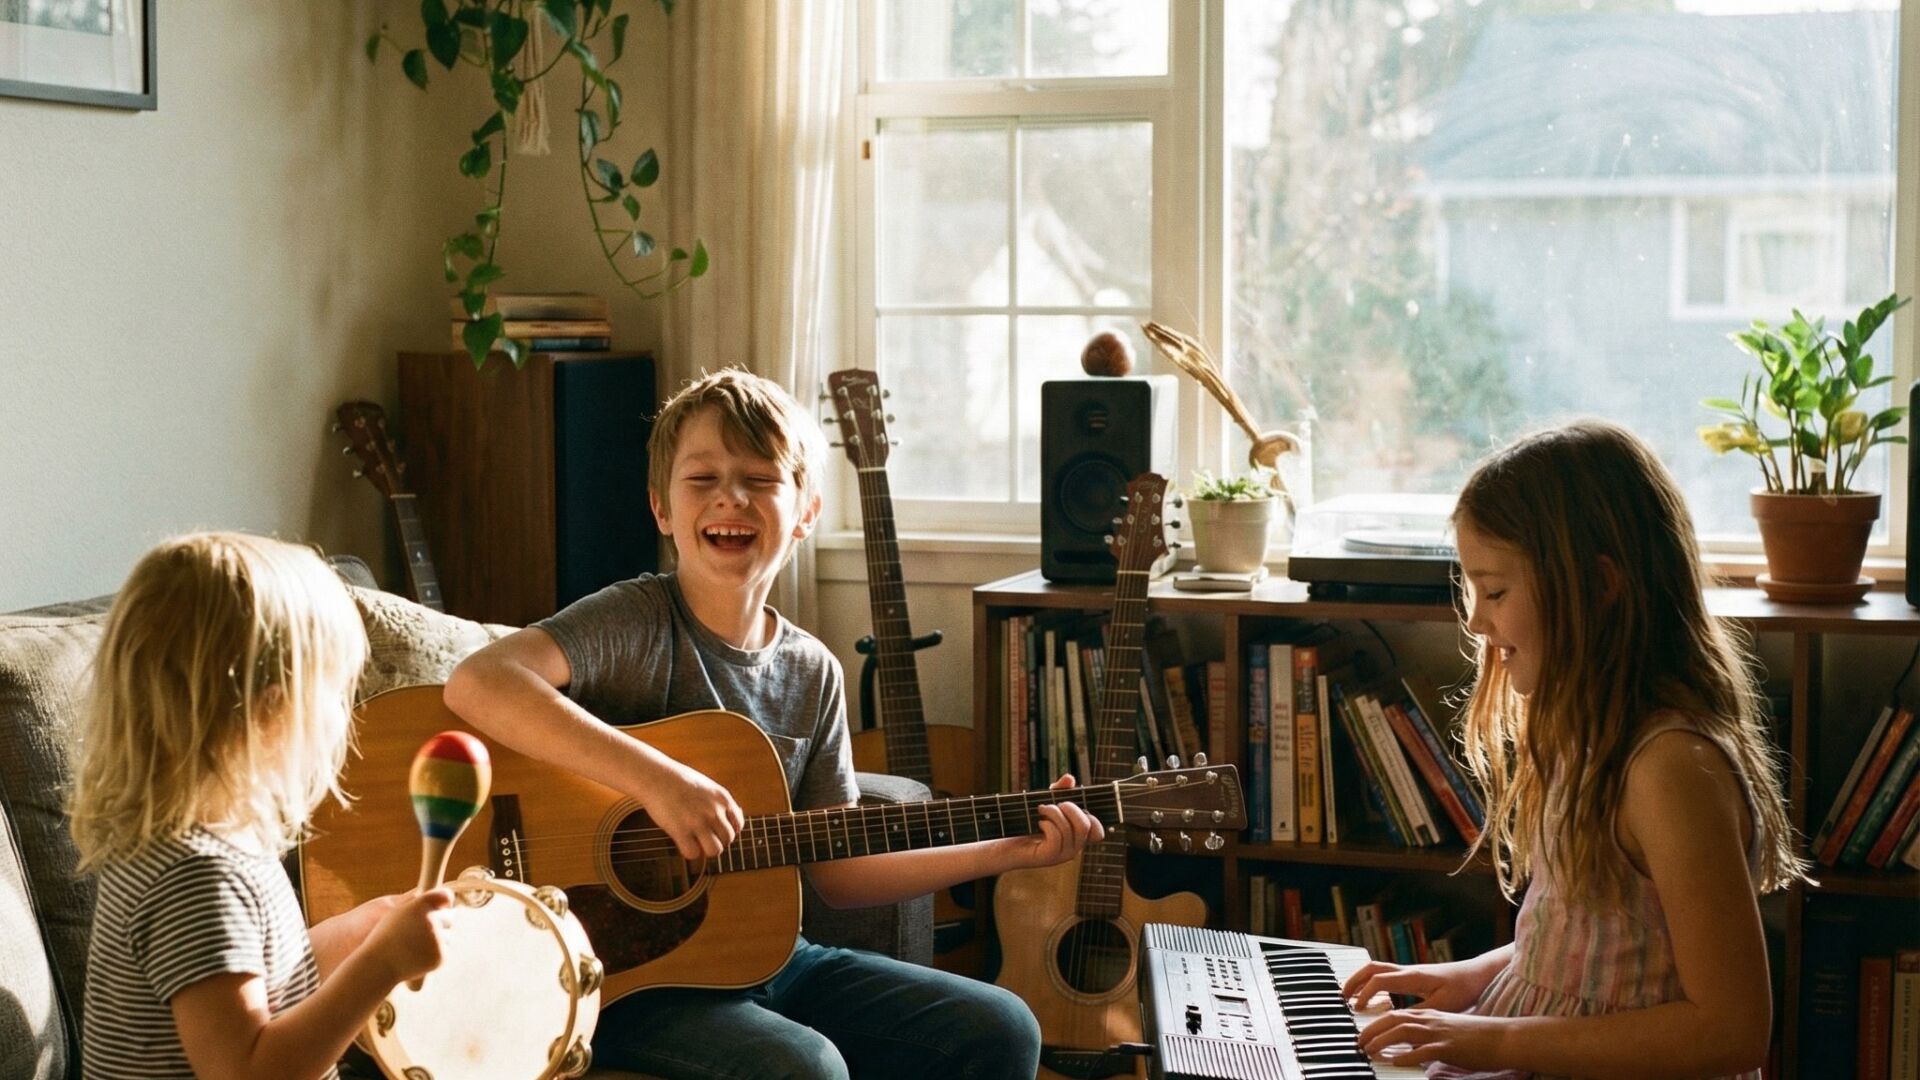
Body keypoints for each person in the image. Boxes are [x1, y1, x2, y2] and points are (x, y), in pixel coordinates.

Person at [444, 367, 1104, 1080]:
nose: (731, 497)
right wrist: (657, 780)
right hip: (617, 973)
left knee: (1001, 1027)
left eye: (761, 479)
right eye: (703, 478)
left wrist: (1006, 852)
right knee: (805, 1069)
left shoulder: (812, 671)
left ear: (807, 512)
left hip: (767, 957)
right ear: (661, 508)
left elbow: (841, 873)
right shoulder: (636, 619)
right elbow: (479, 682)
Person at [1342, 420, 1805, 1080]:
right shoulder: (1584, 738)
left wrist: (1494, 1042)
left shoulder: (1668, 769)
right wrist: (1469, 979)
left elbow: (1730, 1030)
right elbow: (1587, 948)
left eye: (1495, 592)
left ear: (1599, 586)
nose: (1476, 621)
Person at [70, 533, 451, 1080]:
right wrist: (380, 965)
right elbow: (249, 1072)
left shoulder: (196, 840)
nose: (344, 714)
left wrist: (356, 934)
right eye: (336, 692)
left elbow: (247, 983)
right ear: (272, 707)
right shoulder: (199, 876)